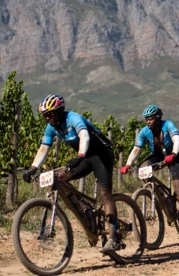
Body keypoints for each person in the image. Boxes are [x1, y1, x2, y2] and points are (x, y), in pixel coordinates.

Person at [22, 94, 120, 253]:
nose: (47, 118)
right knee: (59, 179)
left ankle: (114, 237)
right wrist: (32, 168)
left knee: (105, 193)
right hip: (85, 156)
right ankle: (86, 210)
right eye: (44, 115)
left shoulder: (73, 118)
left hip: (102, 154)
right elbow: (43, 148)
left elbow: (84, 135)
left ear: (60, 111)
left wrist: (79, 156)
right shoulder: (51, 128)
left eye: (50, 114)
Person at [120, 104, 179, 232]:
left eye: (150, 118)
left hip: (175, 155)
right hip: (159, 156)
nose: (148, 121)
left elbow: (177, 139)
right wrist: (128, 164)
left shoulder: (167, 125)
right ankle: (158, 193)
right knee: (143, 168)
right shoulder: (144, 132)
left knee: (178, 187)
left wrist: (173, 154)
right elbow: (137, 149)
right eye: (146, 119)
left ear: (158, 118)